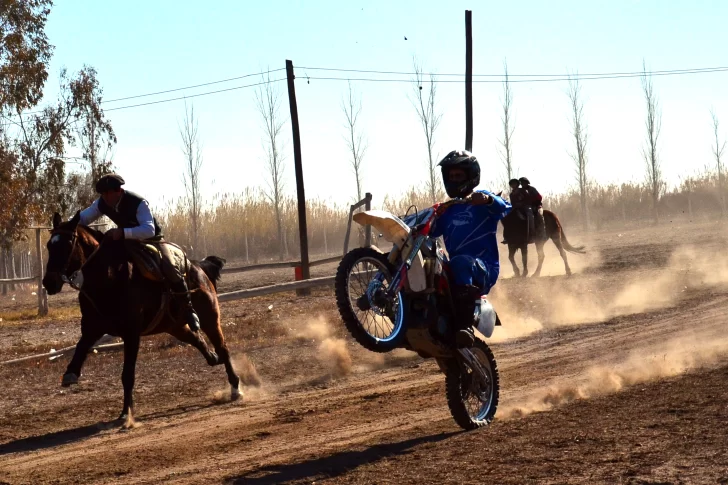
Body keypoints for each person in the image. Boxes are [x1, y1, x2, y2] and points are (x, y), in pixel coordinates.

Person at [77, 173, 201, 332]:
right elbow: (84, 218)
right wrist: (65, 227)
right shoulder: (101, 203)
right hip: (126, 241)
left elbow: (149, 230)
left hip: (152, 240)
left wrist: (122, 233)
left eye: (109, 193)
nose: (106, 197)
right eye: (103, 194)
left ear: (119, 191)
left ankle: (188, 309)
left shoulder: (138, 203)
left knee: (169, 266)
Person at [429, 150, 511, 348]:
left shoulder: (481, 199)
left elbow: (504, 208)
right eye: (451, 176)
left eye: (459, 175)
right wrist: (433, 215)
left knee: (461, 261)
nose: (454, 179)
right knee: (430, 265)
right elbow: (431, 232)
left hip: (484, 268)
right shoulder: (448, 209)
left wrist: (487, 200)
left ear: (470, 176)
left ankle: (464, 326)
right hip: (459, 267)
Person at [501, 178, 528, 244]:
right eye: (512, 184)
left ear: (517, 184)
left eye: (514, 183)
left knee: (526, 217)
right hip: (515, 209)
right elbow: (512, 203)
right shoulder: (511, 194)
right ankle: (506, 237)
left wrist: (521, 204)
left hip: (523, 208)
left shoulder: (522, 191)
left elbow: (527, 199)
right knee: (505, 218)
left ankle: (529, 233)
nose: (513, 185)